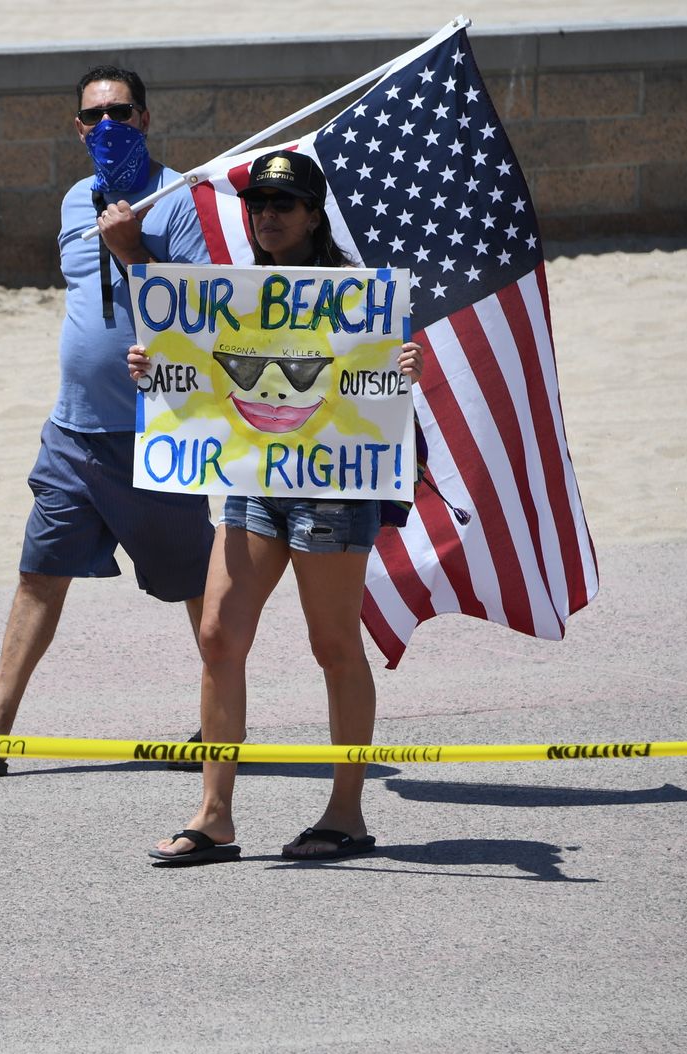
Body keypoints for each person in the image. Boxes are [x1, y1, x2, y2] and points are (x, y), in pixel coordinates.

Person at [0, 66, 215, 775]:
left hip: (155, 435)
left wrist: (134, 249)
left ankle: (218, 724)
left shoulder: (182, 202)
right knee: (39, 573)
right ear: (78, 128)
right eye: (92, 116)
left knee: (196, 585)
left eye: (121, 111)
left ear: (145, 117)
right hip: (74, 431)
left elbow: (201, 317)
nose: (107, 125)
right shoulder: (76, 199)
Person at [131, 150, 422, 863]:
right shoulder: (237, 291)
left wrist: (405, 365)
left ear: (314, 213)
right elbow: (198, 374)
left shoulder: (354, 291)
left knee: (332, 646)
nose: (266, 216)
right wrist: (154, 368)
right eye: (257, 205)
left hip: (330, 487)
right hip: (253, 480)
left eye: (282, 205)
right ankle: (214, 814)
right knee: (219, 637)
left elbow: (377, 386)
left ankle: (346, 812)